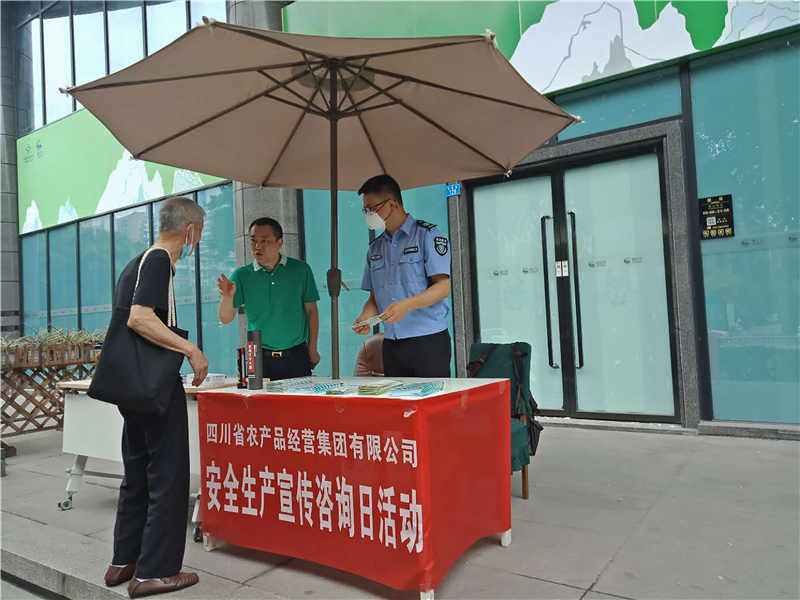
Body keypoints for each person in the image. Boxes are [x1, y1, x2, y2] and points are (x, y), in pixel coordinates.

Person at [103, 197, 207, 598]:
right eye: (200, 232)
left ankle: (124, 561)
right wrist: (191, 350)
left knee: (138, 473)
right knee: (168, 474)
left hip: (130, 387)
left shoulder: (137, 261)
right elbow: (139, 317)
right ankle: (156, 571)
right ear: (190, 230)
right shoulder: (160, 260)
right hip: (154, 386)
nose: (198, 240)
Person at [353, 174, 452, 377]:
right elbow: (374, 298)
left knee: (432, 397)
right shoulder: (375, 248)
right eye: (365, 210)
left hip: (428, 340)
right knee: (397, 397)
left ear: (392, 204)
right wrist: (365, 317)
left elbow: (443, 287)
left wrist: (406, 305)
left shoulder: (427, 235)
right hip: (392, 342)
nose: (369, 214)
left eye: (372, 208)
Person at [217, 217, 321, 380]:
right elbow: (225, 318)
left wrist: (312, 348)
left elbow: (311, 311)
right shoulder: (241, 275)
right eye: (253, 240)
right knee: (259, 397)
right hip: (257, 356)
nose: (257, 246)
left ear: (279, 243)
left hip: (296, 354)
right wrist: (227, 298)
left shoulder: (301, 270)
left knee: (300, 397)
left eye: (264, 240)